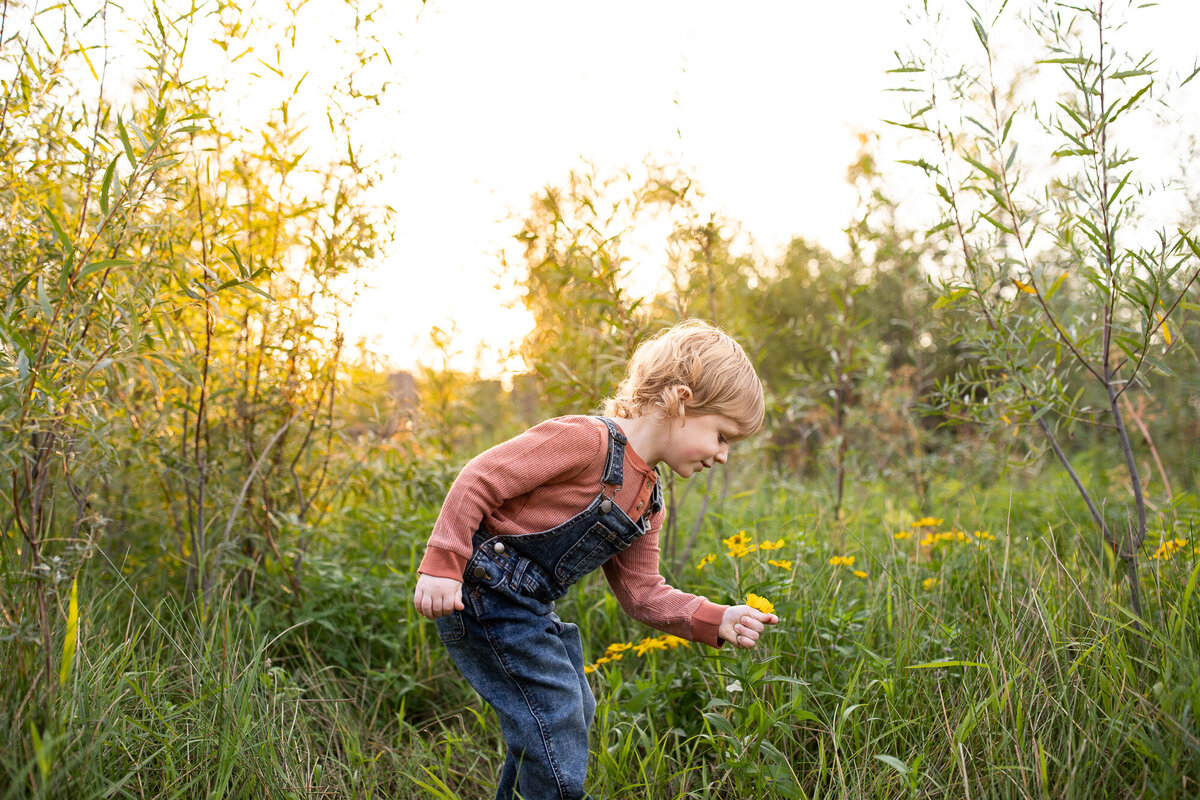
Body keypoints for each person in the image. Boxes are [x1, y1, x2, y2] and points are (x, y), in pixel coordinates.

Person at [412, 319, 779, 800]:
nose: (724, 456)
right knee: (556, 713)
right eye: (722, 436)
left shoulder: (648, 503)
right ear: (683, 400)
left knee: (570, 711)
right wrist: (442, 564)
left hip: (527, 609)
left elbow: (643, 594)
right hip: (483, 593)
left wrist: (718, 617)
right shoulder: (587, 440)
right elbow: (481, 476)